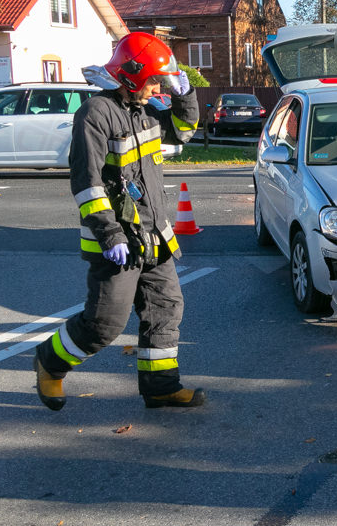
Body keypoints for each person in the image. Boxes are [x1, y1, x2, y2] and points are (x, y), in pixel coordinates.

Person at [33, 32, 205, 410]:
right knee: (104, 324)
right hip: (117, 243)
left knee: (165, 310)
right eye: (154, 80)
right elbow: (87, 183)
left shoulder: (145, 110)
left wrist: (184, 92)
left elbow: (183, 130)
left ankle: (161, 387)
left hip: (154, 238)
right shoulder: (95, 113)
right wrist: (110, 234)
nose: (157, 87)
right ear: (130, 76)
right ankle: (50, 361)